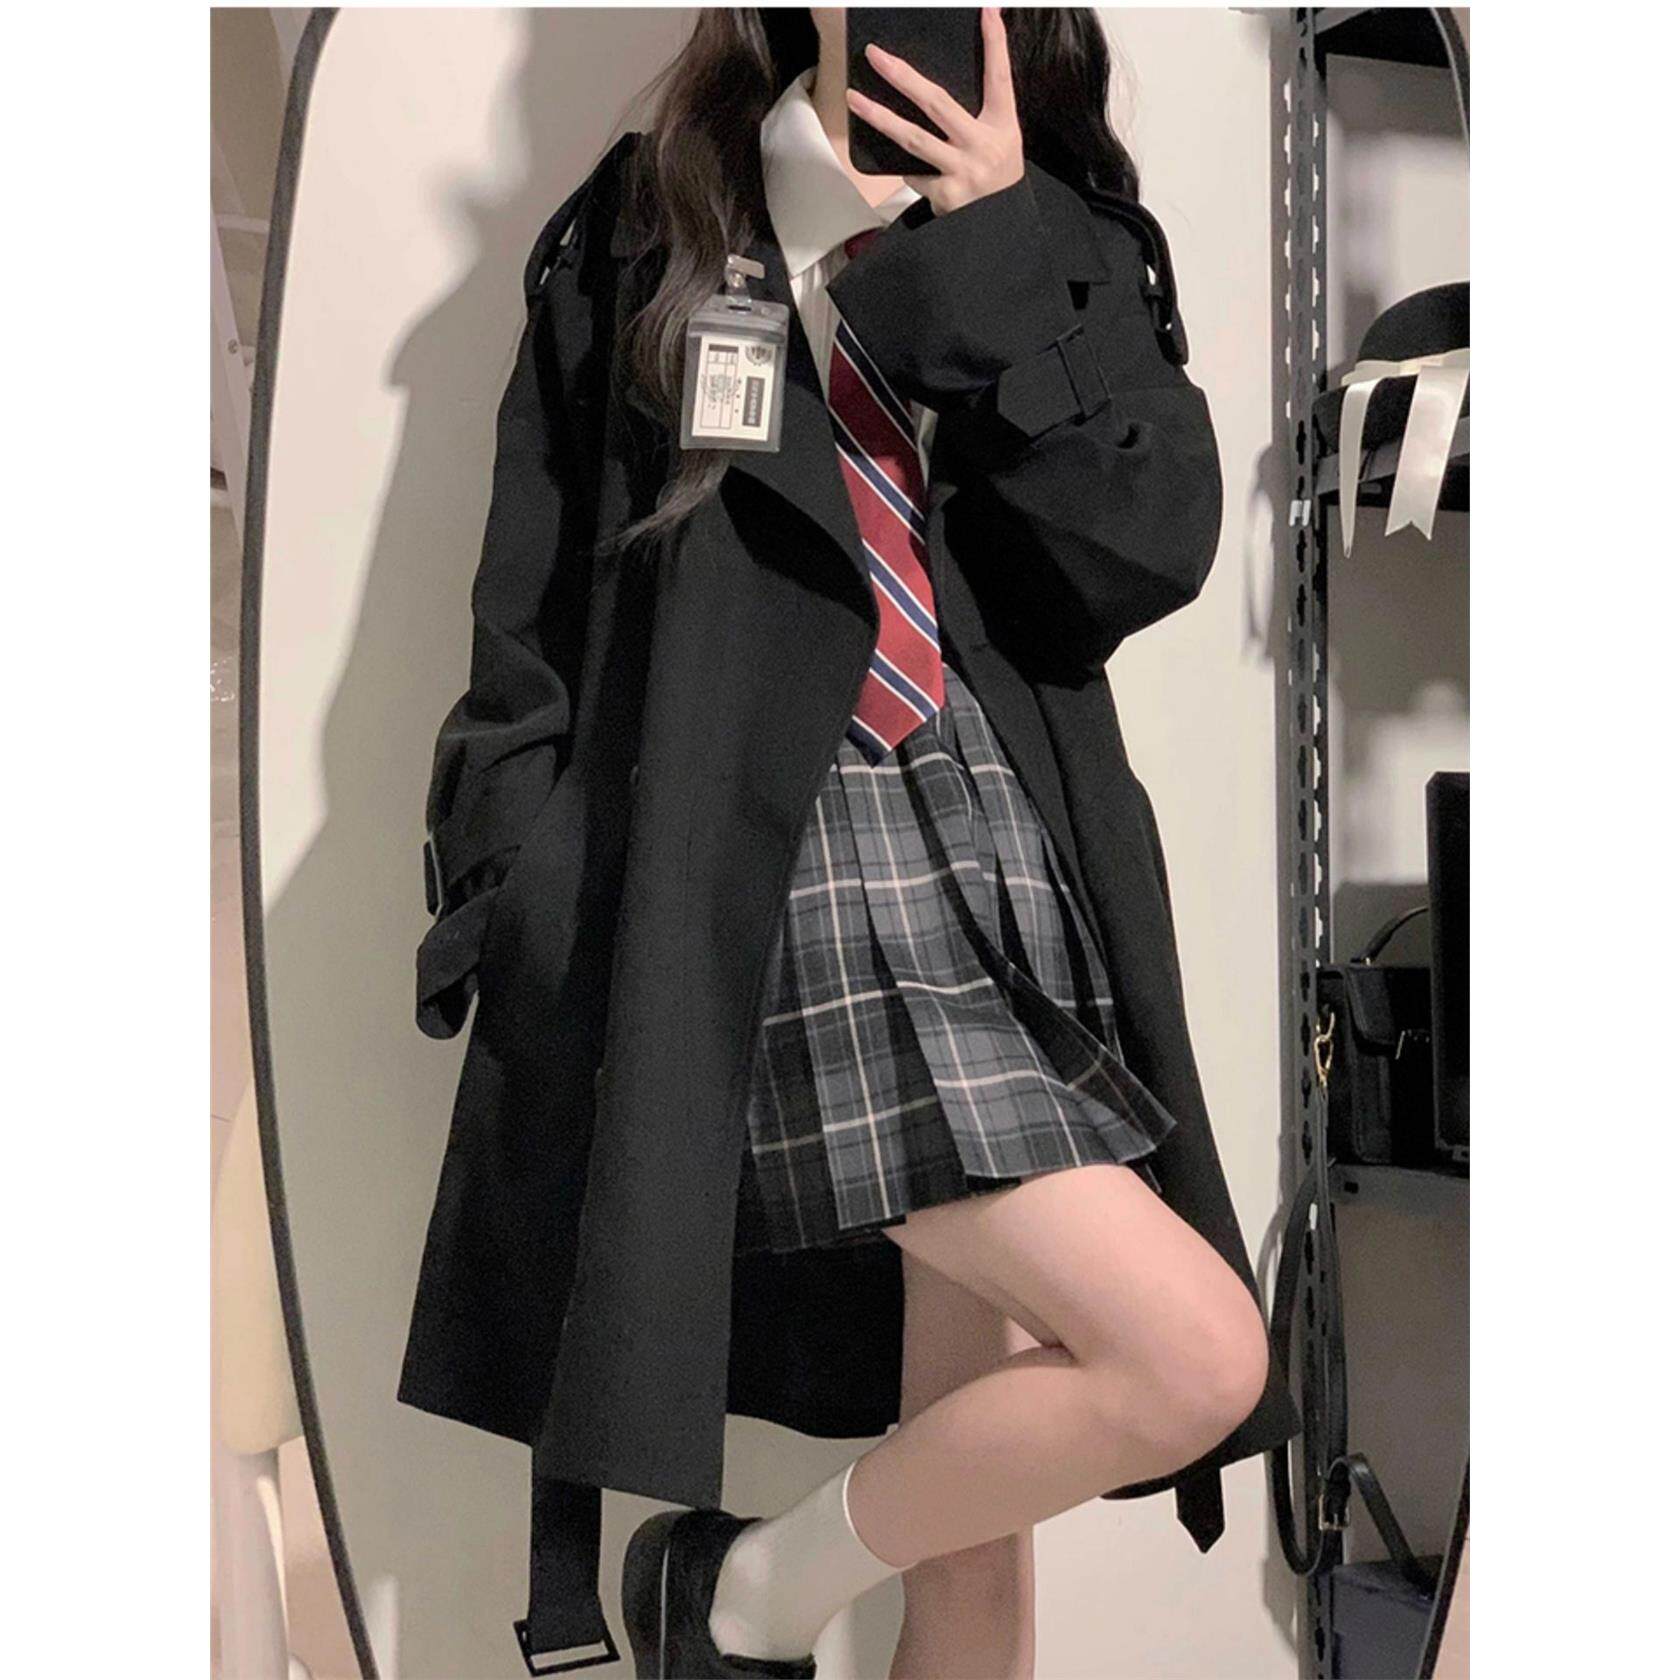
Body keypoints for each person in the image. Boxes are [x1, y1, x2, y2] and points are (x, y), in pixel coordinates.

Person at [402, 9, 1299, 1679]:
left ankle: (743, 1593)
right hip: (772, 856)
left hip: (1011, 851)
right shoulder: (653, 221)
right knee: (1191, 1354)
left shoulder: (1062, 227)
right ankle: (746, 1597)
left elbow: (1140, 550)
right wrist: (504, 890)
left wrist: (1002, 246)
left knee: (979, 1555)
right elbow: (534, 601)